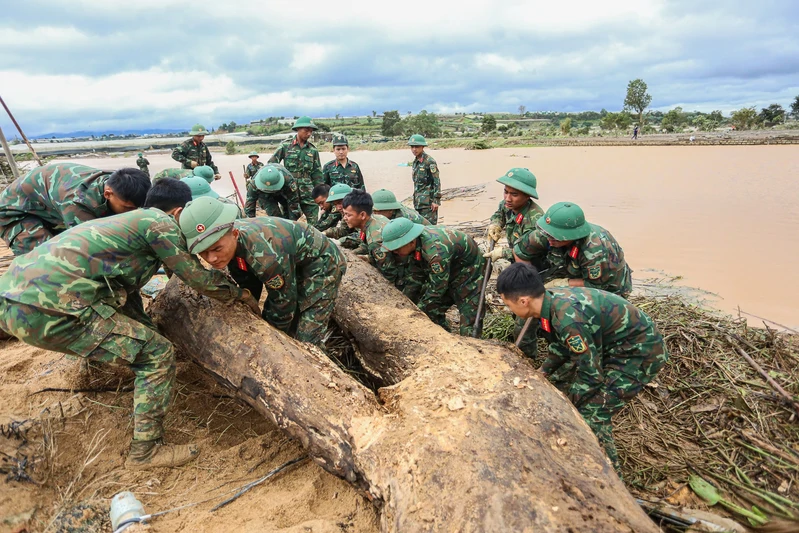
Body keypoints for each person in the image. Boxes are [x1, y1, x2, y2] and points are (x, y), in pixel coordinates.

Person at [0, 178, 259, 470]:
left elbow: (128, 292)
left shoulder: (128, 227)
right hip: (52, 309)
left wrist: (147, 329)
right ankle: (145, 452)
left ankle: (100, 373)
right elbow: (197, 279)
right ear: (178, 213)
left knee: (139, 339)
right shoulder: (159, 224)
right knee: (156, 354)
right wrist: (242, 295)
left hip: (13, 298)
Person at [496, 262, 668, 471]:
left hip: (640, 353)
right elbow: (562, 345)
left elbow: (591, 376)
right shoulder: (550, 301)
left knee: (592, 413)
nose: (509, 309)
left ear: (524, 301)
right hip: (616, 344)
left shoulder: (569, 322)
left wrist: (570, 405)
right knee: (562, 385)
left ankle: (610, 474)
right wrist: (543, 371)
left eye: (508, 304)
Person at [180, 197, 346, 347]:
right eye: (203, 252)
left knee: (307, 339)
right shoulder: (229, 241)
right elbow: (248, 280)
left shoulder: (266, 257)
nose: (212, 258)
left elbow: (283, 303)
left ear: (235, 234)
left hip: (323, 262)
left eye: (217, 249)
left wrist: (269, 335)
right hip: (291, 260)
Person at [0, 163, 151, 256]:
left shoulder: (119, 183)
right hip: (16, 214)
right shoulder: (77, 203)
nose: (131, 213)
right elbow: (90, 246)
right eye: (127, 208)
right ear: (108, 194)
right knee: (50, 259)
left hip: (48, 208)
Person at [382, 217, 484, 336]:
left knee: (469, 316)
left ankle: (472, 347)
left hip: (470, 271)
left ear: (411, 241)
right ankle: (444, 336)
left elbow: (438, 288)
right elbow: (414, 278)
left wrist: (418, 310)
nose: (395, 252)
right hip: (447, 268)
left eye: (397, 247)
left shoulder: (435, 253)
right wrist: (406, 304)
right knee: (432, 311)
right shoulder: (416, 246)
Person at [482, 168, 545, 357]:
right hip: (519, 265)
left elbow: (530, 252)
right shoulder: (507, 205)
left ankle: (527, 358)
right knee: (516, 309)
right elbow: (499, 213)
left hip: (535, 271)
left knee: (524, 320)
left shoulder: (534, 219)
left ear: (527, 196)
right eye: (506, 192)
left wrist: (503, 252)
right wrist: (495, 224)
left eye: (514, 194)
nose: (508, 198)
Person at [514, 202, 633, 298]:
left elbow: (597, 287)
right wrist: (529, 280)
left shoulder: (594, 250)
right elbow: (519, 251)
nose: (550, 239)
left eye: (555, 237)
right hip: (570, 271)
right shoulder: (546, 234)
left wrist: (561, 284)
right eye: (548, 235)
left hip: (608, 290)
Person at [341, 190, 423, 299]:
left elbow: (389, 272)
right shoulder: (376, 218)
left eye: (348, 215)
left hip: (408, 270)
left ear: (362, 215)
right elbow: (366, 245)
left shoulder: (375, 240)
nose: (344, 218)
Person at [268, 116, 323, 224]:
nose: (309, 134)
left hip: (308, 192)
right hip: (289, 191)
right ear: (298, 129)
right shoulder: (285, 146)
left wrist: (320, 192)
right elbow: (271, 165)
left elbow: (317, 173)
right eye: (306, 130)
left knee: (314, 223)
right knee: (288, 222)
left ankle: (312, 240)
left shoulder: (313, 150)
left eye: (311, 131)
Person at [408, 134, 441, 224]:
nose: (414, 149)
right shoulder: (415, 162)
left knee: (430, 229)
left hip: (428, 204)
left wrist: (436, 201)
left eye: (417, 147)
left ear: (423, 147)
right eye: (412, 147)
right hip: (418, 203)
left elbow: (436, 181)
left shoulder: (429, 161)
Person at [321, 183, 360, 248]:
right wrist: (325, 233)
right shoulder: (347, 211)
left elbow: (362, 236)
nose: (338, 207)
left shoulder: (361, 211)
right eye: (335, 204)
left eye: (340, 203)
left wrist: (340, 242)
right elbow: (343, 230)